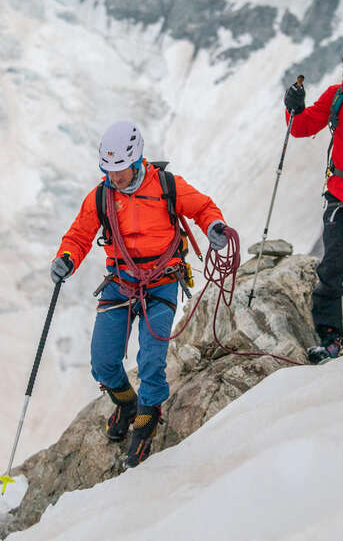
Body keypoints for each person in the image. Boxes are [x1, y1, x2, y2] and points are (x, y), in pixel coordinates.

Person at [50, 120, 231, 466]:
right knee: (103, 361)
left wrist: (214, 226)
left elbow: (203, 207)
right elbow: (80, 234)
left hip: (162, 280)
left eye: (120, 170)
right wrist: (66, 258)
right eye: (109, 170)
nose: (114, 177)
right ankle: (126, 402)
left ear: (136, 161)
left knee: (151, 359)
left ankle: (147, 416)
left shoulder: (166, 186)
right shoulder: (103, 195)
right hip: (120, 280)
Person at [284, 36, 343, 364]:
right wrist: (293, 107)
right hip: (341, 194)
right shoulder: (336, 96)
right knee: (333, 268)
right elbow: (301, 127)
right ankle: (330, 339)